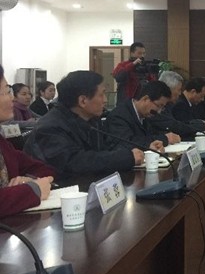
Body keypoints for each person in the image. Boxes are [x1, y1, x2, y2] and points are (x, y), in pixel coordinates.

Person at [24, 70, 144, 179]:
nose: (105, 100)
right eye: (102, 94)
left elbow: (106, 147)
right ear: (83, 101)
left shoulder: (92, 120)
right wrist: (125, 158)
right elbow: (75, 163)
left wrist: (131, 151)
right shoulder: (50, 127)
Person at [0, 64, 55, 218]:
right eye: (7, 91)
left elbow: (45, 169)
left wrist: (27, 180)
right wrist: (33, 190)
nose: (12, 98)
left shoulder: (3, 145)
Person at [105, 81, 180, 152]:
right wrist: (164, 139)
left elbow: (151, 136)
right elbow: (126, 143)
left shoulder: (145, 115)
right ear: (145, 99)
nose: (159, 111)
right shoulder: (119, 116)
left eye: (162, 108)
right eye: (158, 106)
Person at [147, 71, 204, 138]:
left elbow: (176, 123)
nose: (180, 93)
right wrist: (199, 126)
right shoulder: (154, 104)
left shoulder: (169, 105)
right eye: (179, 90)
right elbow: (172, 125)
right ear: (168, 89)